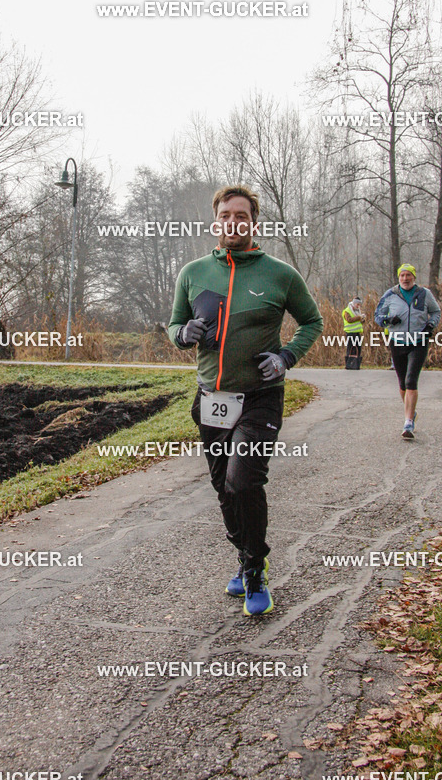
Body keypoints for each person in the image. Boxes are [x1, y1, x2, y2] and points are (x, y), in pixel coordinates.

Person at [168, 185, 323, 616]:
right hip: (211, 399)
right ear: (215, 221)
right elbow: (175, 324)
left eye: (241, 215)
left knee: (243, 481)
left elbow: (312, 321)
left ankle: (255, 570)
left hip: (260, 398)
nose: (233, 222)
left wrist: (286, 356)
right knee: (223, 487)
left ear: (254, 222)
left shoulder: (280, 274)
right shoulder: (193, 273)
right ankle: (246, 556)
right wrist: (182, 333)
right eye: (226, 215)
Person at [374, 264, 441, 439]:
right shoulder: (390, 294)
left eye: (408, 275)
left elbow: (435, 312)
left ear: (414, 277)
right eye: (402, 275)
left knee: (411, 380)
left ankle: (408, 422)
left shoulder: (424, 294)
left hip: (418, 342)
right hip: (397, 343)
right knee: (402, 384)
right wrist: (388, 320)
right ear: (399, 278)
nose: (405, 278)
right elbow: (377, 316)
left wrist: (430, 325)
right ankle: (411, 411)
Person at [342, 297, 365, 369]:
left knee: (358, 348)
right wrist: (359, 317)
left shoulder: (357, 311)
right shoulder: (347, 311)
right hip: (350, 332)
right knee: (350, 348)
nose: (358, 306)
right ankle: (349, 364)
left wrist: (362, 319)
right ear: (354, 303)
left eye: (359, 305)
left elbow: (359, 321)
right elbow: (349, 320)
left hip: (357, 332)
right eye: (357, 304)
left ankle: (356, 364)